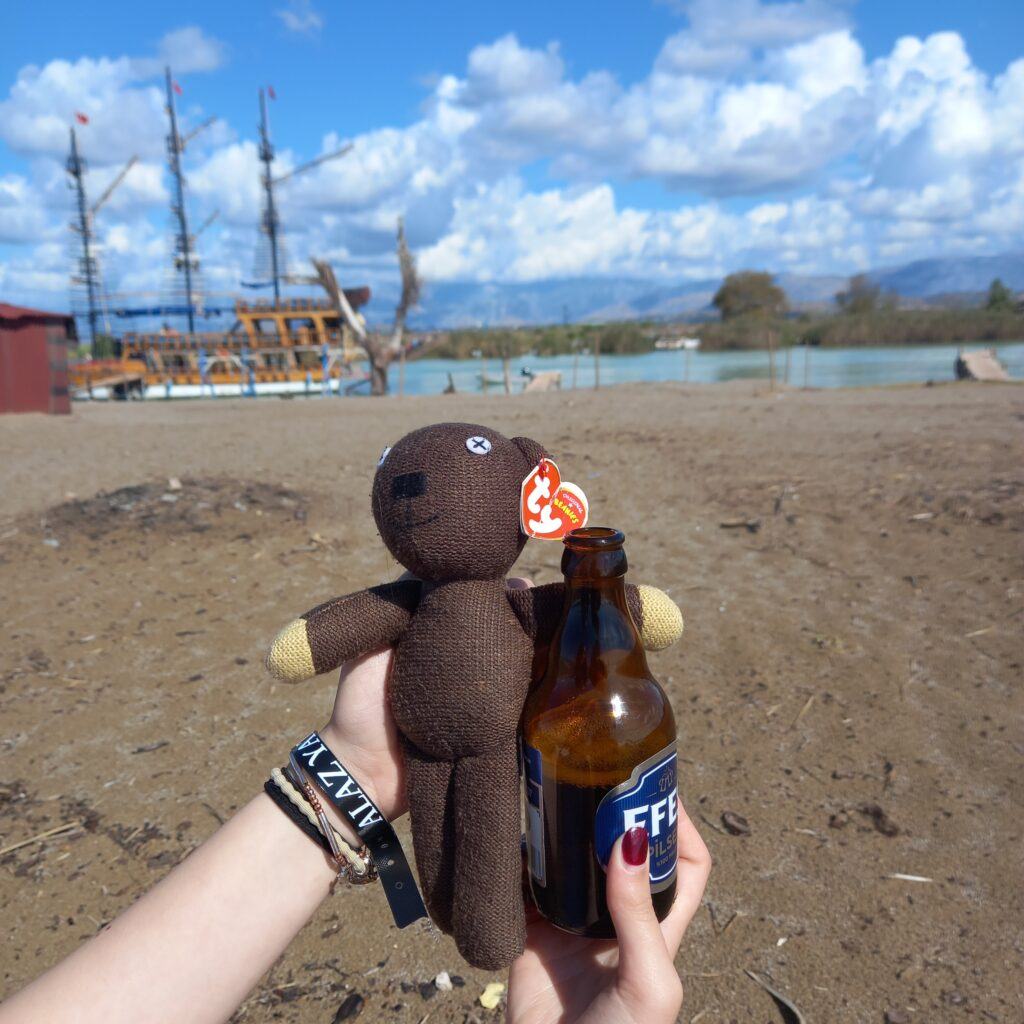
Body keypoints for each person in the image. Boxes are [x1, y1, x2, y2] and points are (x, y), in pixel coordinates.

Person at [0, 580, 711, 1024]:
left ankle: (493, 924)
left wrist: (347, 764)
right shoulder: (416, 602)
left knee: (507, 835)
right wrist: (355, 762)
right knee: (482, 848)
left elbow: (594, 596)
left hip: (499, 747)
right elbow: (339, 629)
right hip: (421, 754)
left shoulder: (530, 605)